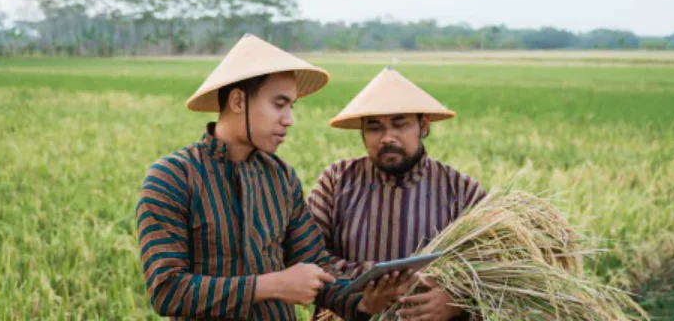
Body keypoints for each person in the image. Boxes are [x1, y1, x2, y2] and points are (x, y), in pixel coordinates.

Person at [135, 35, 403, 320]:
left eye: (291, 106)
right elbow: (167, 291)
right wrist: (272, 285)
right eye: (279, 104)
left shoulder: (281, 177)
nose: (289, 119)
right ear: (238, 101)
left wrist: (364, 302)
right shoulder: (173, 177)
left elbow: (314, 264)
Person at [308, 66, 488, 321]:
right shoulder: (336, 181)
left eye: (399, 124)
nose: (387, 138)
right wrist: (373, 285)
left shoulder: (462, 191)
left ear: (423, 126)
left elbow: (492, 269)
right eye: (374, 127)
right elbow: (309, 258)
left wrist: (455, 300)